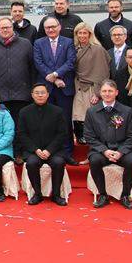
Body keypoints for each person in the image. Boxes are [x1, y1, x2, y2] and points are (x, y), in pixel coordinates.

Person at [84, 79, 132, 210]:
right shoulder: (92, 112)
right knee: (94, 161)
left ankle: (125, 195)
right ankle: (103, 195)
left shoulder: (127, 111)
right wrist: (104, 151)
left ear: (116, 93)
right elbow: (89, 136)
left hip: (122, 149)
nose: (107, 94)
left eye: (110, 91)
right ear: (100, 93)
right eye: (104, 91)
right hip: (101, 150)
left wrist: (121, 151)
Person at [16, 84, 69, 205]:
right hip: (33, 151)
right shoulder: (24, 112)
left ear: (48, 94)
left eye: (43, 93)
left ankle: (56, 195)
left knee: (58, 162)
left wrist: (49, 150)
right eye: (37, 93)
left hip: (53, 150)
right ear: (32, 95)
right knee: (32, 163)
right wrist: (35, 150)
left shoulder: (57, 111)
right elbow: (22, 134)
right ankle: (37, 194)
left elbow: (62, 134)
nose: (40, 95)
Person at [33, 17, 77, 162]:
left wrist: (56, 74)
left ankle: (67, 153)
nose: (50, 30)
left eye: (53, 26)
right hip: (46, 89)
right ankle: (49, 152)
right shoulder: (39, 43)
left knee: (65, 121)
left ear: (59, 27)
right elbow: (38, 62)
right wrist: (52, 78)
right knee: (47, 122)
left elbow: (70, 62)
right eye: (47, 28)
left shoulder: (68, 42)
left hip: (64, 88)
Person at [0, 18, 35, 130]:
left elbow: (33, 68)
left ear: (12, 27)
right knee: (0, 128)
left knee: (21, 128)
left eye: (8, 27)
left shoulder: (26, 44)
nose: (5, 30)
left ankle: (20, 148)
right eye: (2, 28)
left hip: (22, 95)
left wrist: (32, 89)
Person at [72, 22, 110, 146]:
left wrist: (97, 93)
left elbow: (103, 72)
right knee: (77, 114)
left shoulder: (97, 49)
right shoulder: (75, 49)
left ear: (90, 34)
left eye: (85, 33)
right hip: (77, 85)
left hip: (92, 87)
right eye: (79, 33)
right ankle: (80, 138)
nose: (82, 36)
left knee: (91, 114)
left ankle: (92, 141)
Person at [116, 46, 132, 130]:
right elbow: (119, 99)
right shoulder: (120, 75)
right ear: (126, 59)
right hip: (129, 118)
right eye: (130, 57)